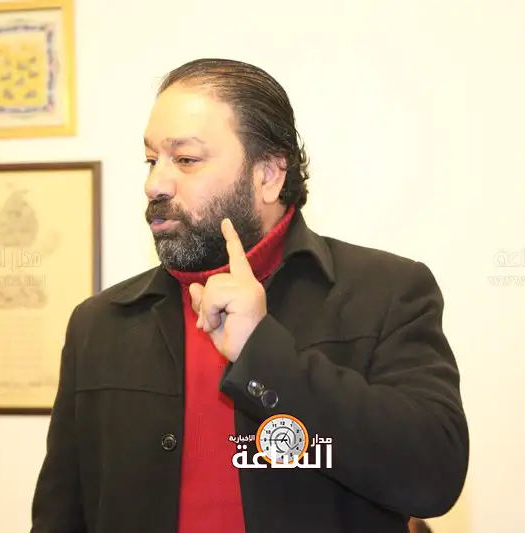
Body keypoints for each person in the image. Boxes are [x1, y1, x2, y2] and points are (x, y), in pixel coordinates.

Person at [29, 58, 469, 533]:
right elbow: (59, 517)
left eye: (186, 159)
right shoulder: (100, 325)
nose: (155, 183)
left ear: (269, 175)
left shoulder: (385, 293)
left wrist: (263, 354)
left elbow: (433, 477)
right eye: (152, 160)